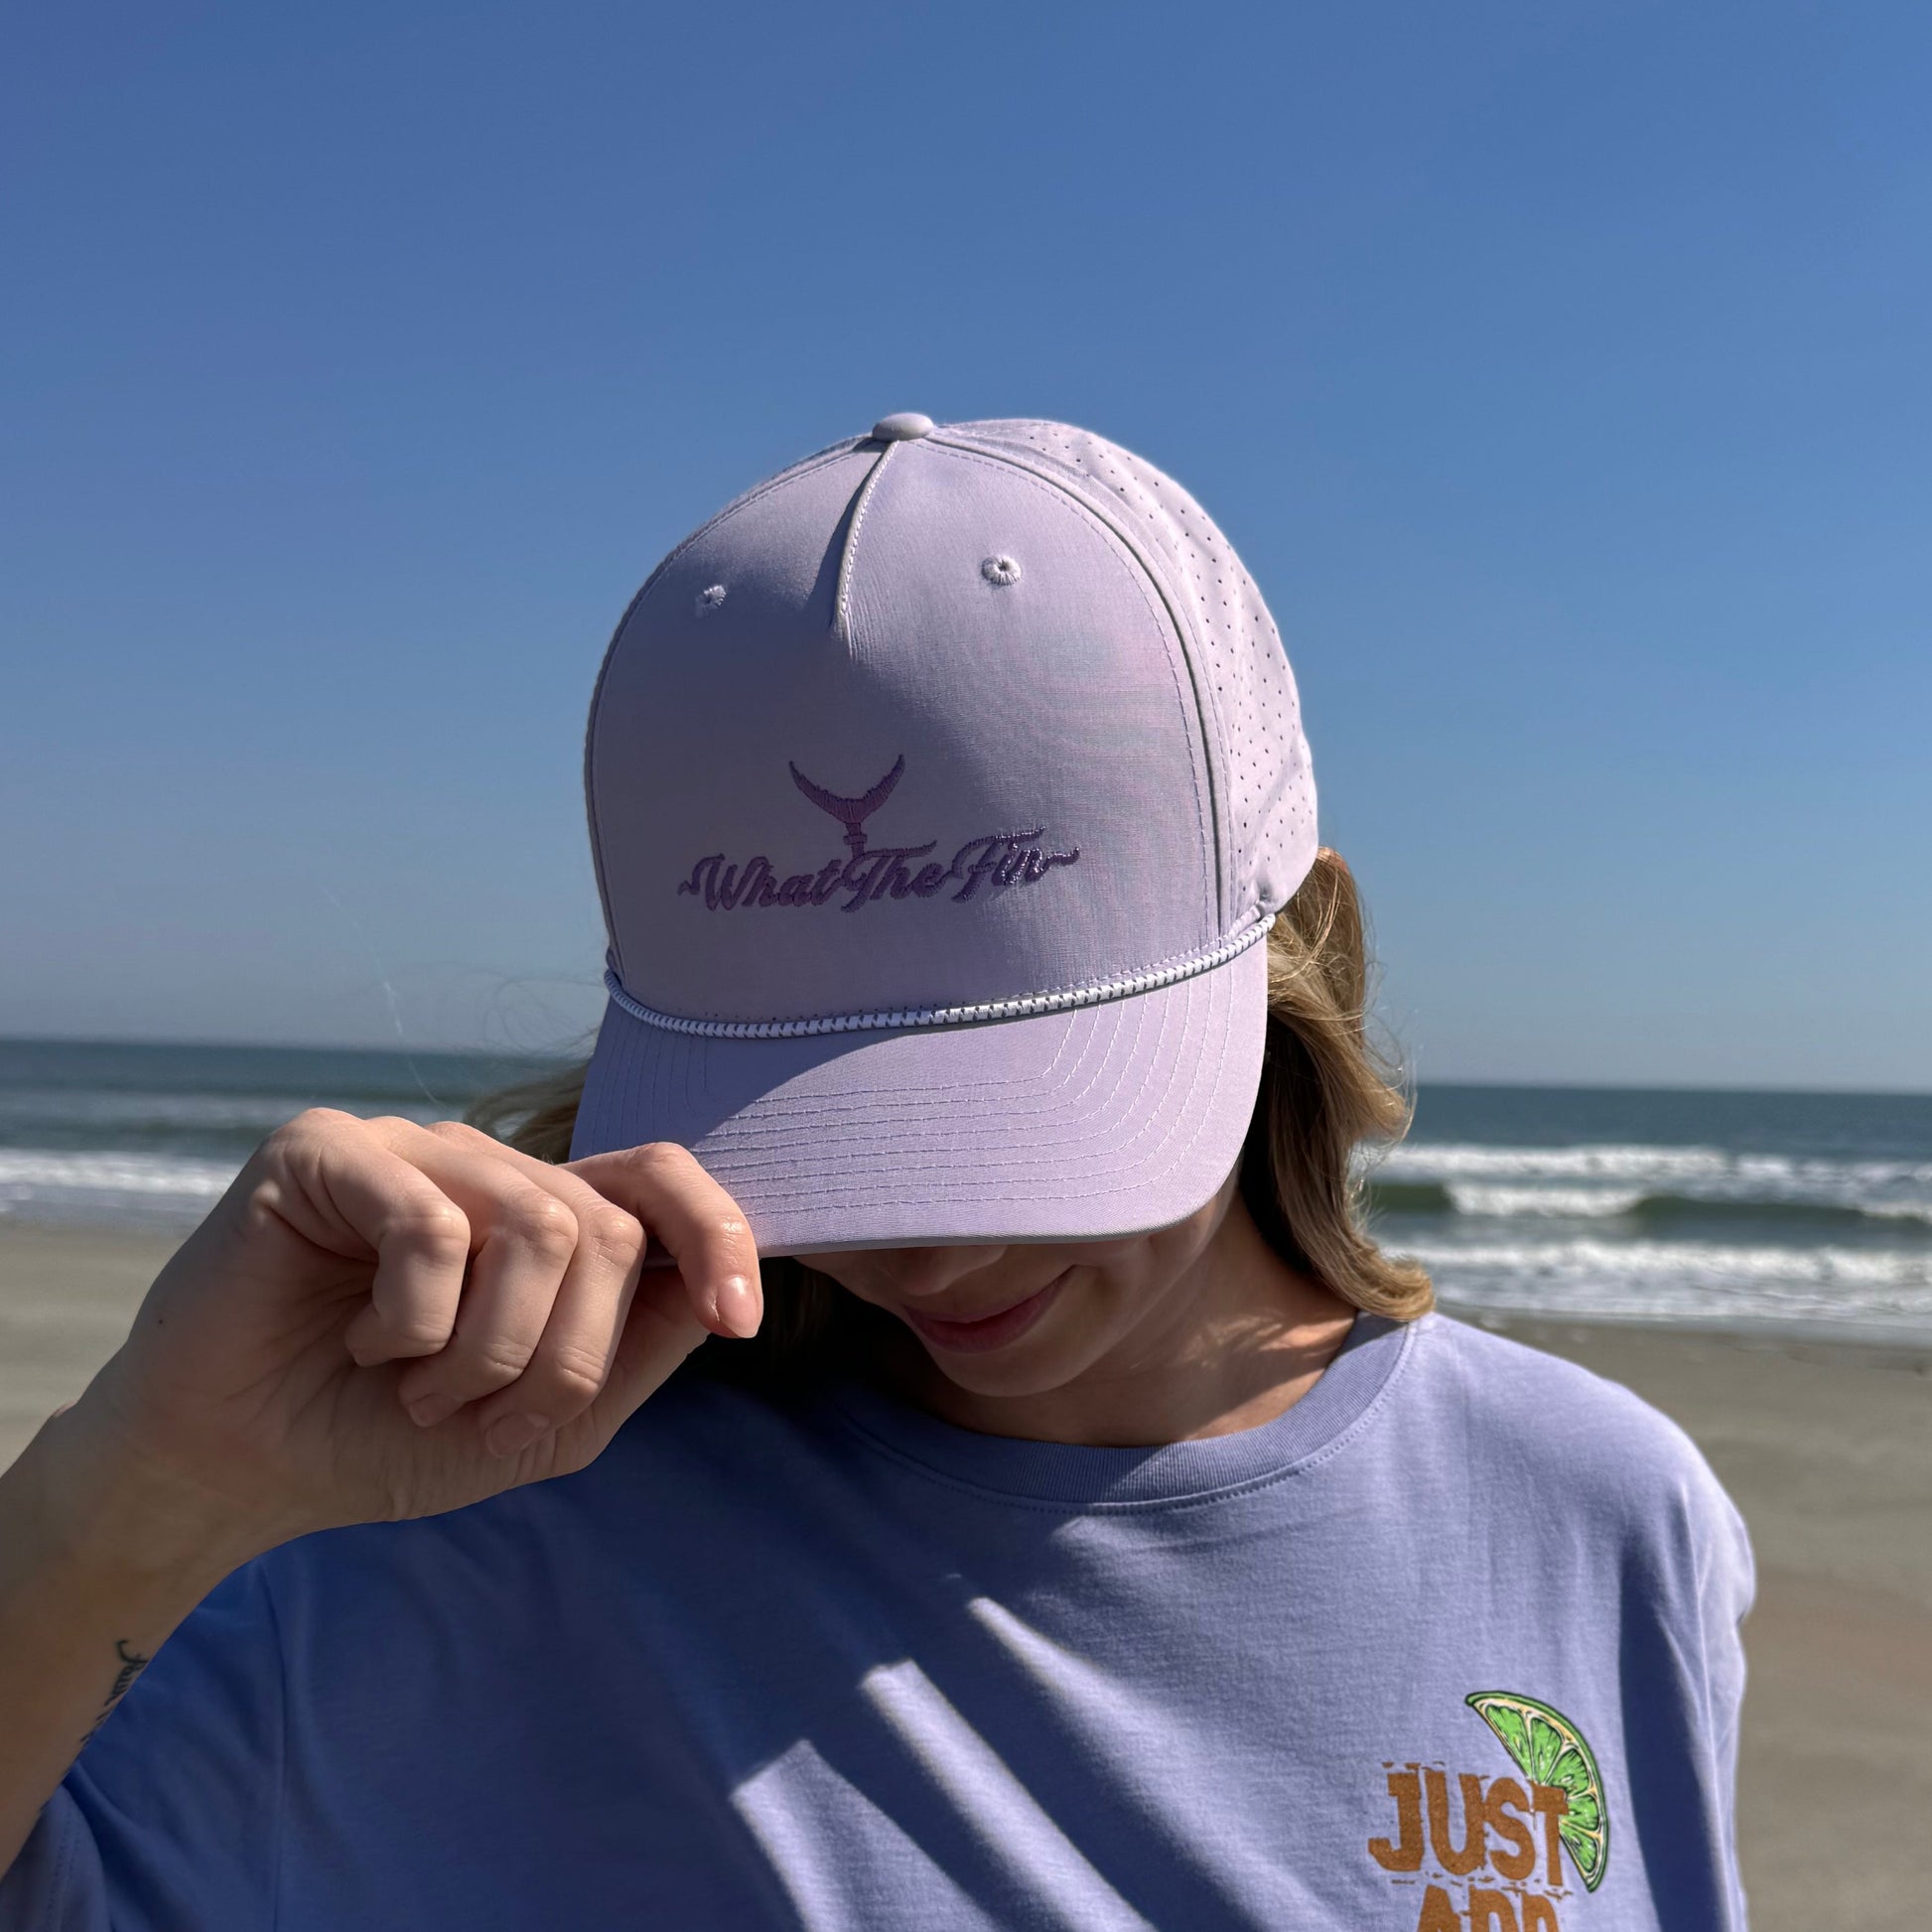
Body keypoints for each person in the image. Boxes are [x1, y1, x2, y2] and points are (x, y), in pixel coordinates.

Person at [0, 415, 1752, 1931]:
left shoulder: (1600, 1516)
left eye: (1021, 1103)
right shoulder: (477, 1518)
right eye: (808, 1114)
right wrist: (138, 1483)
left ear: (1298, 939)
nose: (922, 1244)